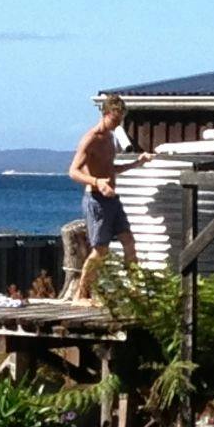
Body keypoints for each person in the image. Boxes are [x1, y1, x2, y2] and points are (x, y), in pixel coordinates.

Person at [67, 93, 136, 296]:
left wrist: (137, 162)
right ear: (105, 114)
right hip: (96, 200)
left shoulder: (111, 138)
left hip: (113, 199)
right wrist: (97, 182)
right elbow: (73, 171)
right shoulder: (91, 139)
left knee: (129, 242)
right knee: (100, 250)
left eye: (120, 120)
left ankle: (135, 292)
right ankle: (82, 294)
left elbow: (110, 168)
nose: (117, 125)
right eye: (114, 120)